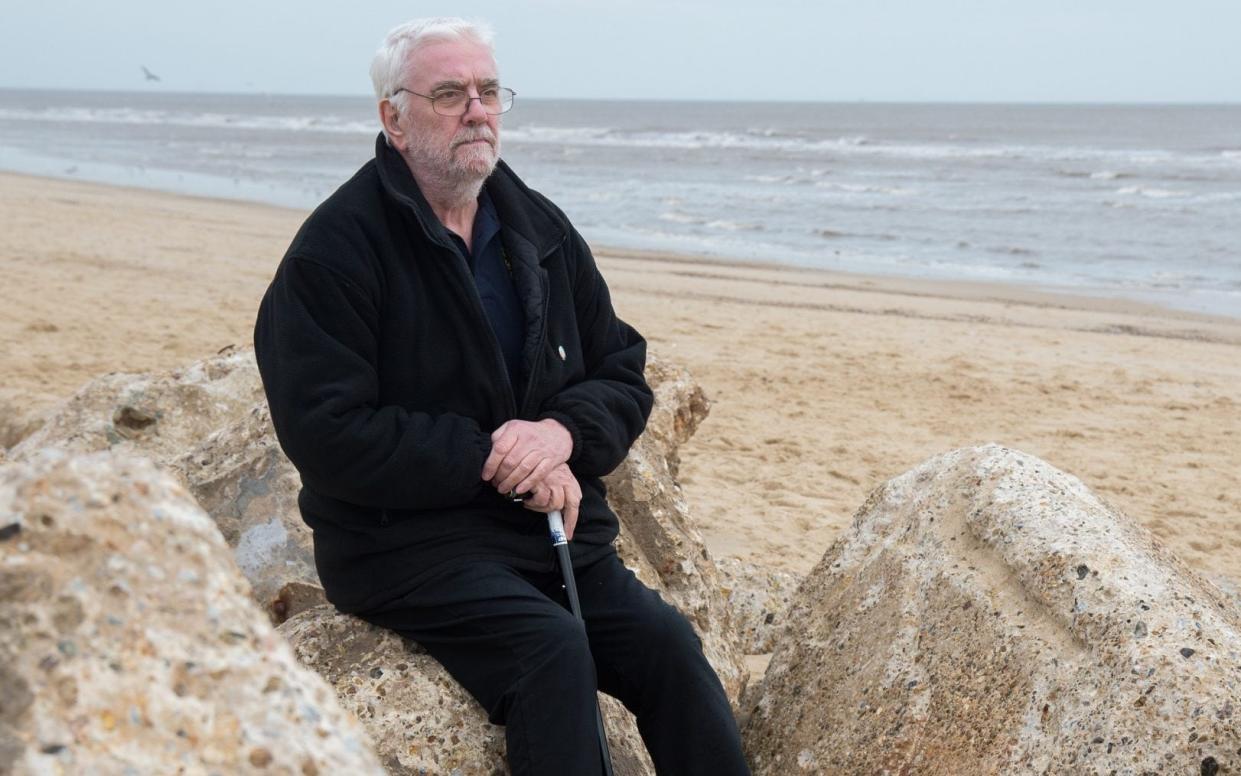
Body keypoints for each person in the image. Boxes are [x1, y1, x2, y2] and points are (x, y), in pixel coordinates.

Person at [253, 16, 750, 776]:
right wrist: (495, 456)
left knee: (668, 646)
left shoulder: (538, 229)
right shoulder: (335, 250)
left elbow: (621, 369)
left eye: (488, 91)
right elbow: (326, 430)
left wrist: (557, 436)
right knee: (551, 649)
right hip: (407, 548)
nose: (476, 111)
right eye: (449, 94)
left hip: (549, 538)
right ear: (392, 116)